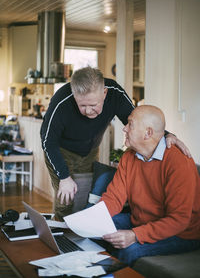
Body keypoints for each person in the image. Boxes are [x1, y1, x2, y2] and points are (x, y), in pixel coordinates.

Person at [40, 67, 190, 220]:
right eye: (82, 105)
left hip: (90, 149)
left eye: (93, 105)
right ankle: (60, 235)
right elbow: (47, 141)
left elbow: (138, 121)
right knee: (66, 199)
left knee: (86, 195)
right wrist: (64, 178)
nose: (88, 111)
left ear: (104, 93)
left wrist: (167, 134)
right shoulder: (61, 102)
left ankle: (81, 234)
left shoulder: (114, 93)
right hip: (61, 150)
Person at [101, 105, 200, 266]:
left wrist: (134, 235)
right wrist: (91, 218)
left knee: (128, 251)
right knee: (98, 230)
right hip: (143, 221)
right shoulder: (128, 157)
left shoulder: (178, 161)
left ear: (148, 133)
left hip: (182, 234)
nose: (124, 129)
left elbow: (179, 220)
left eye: (130, 124)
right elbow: (113, 198)